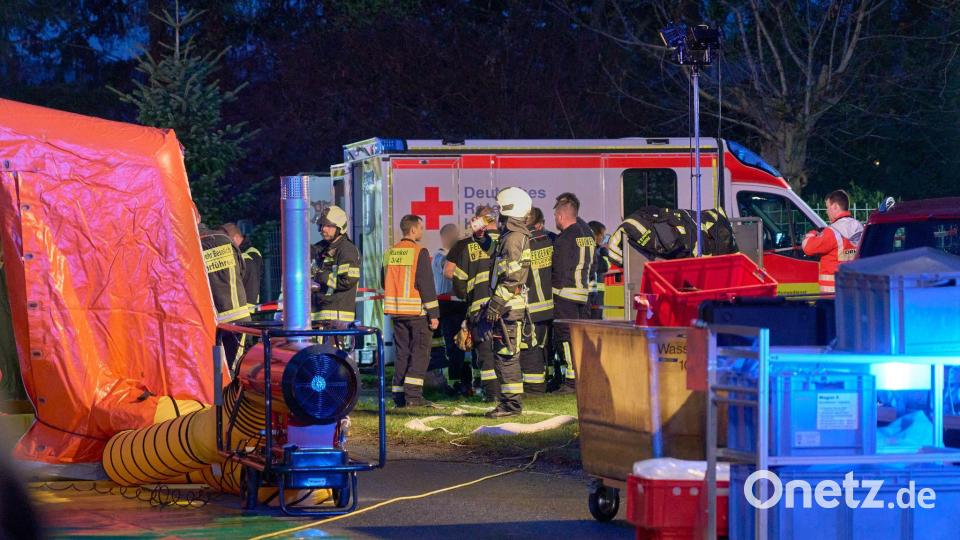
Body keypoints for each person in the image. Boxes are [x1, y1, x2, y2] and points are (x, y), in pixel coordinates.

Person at [484, 187, 533, 418]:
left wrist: (495, 304)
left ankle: (511, 405)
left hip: (508, 307)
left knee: (507, 355)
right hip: (510, 306)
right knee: (504, 354)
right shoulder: (512, 236)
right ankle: (508, 403)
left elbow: (514, 279)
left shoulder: (513, 239)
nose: (498, 212)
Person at [383, 215, 440, 407]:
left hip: (397, 312)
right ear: (413, 230)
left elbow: (382, 281)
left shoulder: (390, 252)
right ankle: (414, 397)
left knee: (402, 354)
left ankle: (399, 396)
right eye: (421, 228)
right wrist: (434, 314)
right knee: (420, 354)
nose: (422, 232)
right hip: (416, 313)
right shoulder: (418, 252)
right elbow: (426, 284)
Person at [449, 206, 501, 401]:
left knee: (485, 353)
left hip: (479, 308)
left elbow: (459, 282)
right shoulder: (506, 240)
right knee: (506, 351)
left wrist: (466, 297)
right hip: (506, 306)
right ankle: (509, 393)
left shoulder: (469, 246)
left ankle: (491, 395)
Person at [550, 192, 595, 392]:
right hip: (583, 293)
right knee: (580, 337)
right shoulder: (587, 234)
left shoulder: (563, 240)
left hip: (565, 294)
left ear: (560, 216)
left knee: (566, 337)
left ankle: (571, 381)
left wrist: (553, 289)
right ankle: (584, 375)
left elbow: (559, 268)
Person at [198, 220, 249, 368]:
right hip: (239, 315)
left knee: (217, 368)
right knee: (235, 366)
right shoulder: (225, 239)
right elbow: (242, 270)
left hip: (215, 319)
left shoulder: (194, 245)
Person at [432, 223, 471, 395]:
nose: (457, 239)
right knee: (452, 344)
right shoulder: (440, 256)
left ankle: (464, 381)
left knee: (463, 343)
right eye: (454, 236)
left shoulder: (455, 254)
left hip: (460, 303)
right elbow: (449, 272)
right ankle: (452, 382)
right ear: (445, 237)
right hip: (447, 306)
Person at [801, 189, 864, 293]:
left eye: (827, 207)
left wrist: (812, 234)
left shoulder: (832, 232)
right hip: (854, 289)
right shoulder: (860, 227)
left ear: (835, 206)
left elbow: (808, 248)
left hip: (832, 294)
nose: (826, 211)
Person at [520, 207, 554, 395]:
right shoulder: (552, 240)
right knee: (545, 345)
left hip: (531, 305)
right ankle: (546, 380)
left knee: (531, 346)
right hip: (550, 304)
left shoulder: (522, 242)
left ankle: (534, 387)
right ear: (540, 224)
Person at [311, 206, 361, 326]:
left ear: (339, 228)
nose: (323, 229)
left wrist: (321, 276)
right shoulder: (321, 248)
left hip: (337, 315)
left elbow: (347, 281)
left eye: (328, 226)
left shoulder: (347, 250)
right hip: (320, 312)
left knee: (332, 346)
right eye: (322, 225)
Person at [222, 223, 263, 309]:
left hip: (247, 308)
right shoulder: (244, 254)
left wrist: (249, 308)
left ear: (236, 238)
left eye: (227, 241)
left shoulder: (249, 256)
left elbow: (251, 284)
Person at [588, 221, 608, 320]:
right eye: (602, 235)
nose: (603, 238)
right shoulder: (589, 250)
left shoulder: (600, 250)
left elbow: (605, 267)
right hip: (589, 293)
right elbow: (600, 266)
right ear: (595, 235)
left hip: (598, 294)